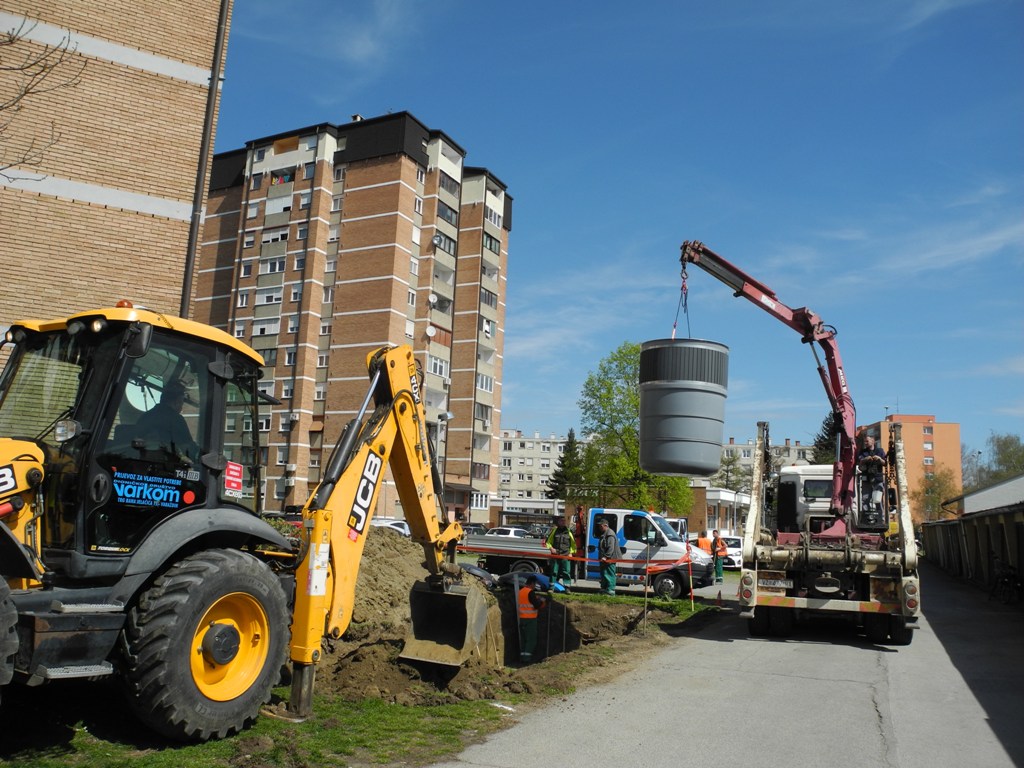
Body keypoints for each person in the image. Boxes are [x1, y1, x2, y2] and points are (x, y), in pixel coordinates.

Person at [135, 380, 198, 461]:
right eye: (181, 404)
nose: (181, 408)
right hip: (163, 467)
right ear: (176, 402)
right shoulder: (175, 419)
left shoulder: (144, 417)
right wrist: (201, 456)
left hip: (142, 464)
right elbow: (188, 449)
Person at [517, 574, 547, 663]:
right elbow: (536, 605)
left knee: (524, 640)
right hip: (530, 619)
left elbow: (526, 602)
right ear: (532, 583)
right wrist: (543, 601)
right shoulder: (530, 592)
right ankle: (527, 659)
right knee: (531, 640)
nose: (535, 586)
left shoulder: (521, 591)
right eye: (535, 584)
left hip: (521, 618)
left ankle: (522, 658)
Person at [857, 434, 887, 518]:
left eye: (867, 441)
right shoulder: (863, 452)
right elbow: (859, 462)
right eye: (865, 441)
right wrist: (865, 459)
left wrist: (879, 459)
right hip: (866, 479)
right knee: (865, 499)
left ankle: (881, 518)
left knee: (878, 499)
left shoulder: (880, 451)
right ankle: (866, 517)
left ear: (873, 441)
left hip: (878, 479)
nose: (865, 443)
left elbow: (885, 463)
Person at [545, 512, 576, 590]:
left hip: (566, 555)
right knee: (554, 571)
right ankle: (551, 587)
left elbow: (573, 544)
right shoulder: (554, 531)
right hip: (556, 555)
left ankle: (567, 588)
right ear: (558, 522)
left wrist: (571, 553)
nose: (563, 522)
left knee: (566, 572)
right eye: (561, 521)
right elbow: (548, 542)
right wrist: (551, 548)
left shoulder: (569, 531)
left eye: (564, 521)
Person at [595, 517, 622, 596]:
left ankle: (610, 591)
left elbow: (611, 547)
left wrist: (606, 557)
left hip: (610, 559)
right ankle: (604, 589)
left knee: (609, 574)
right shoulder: (605, 534)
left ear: (605, 525)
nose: (599, 527)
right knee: (604, 574)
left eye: (601, 526)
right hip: (605, 559)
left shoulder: (610, 534)